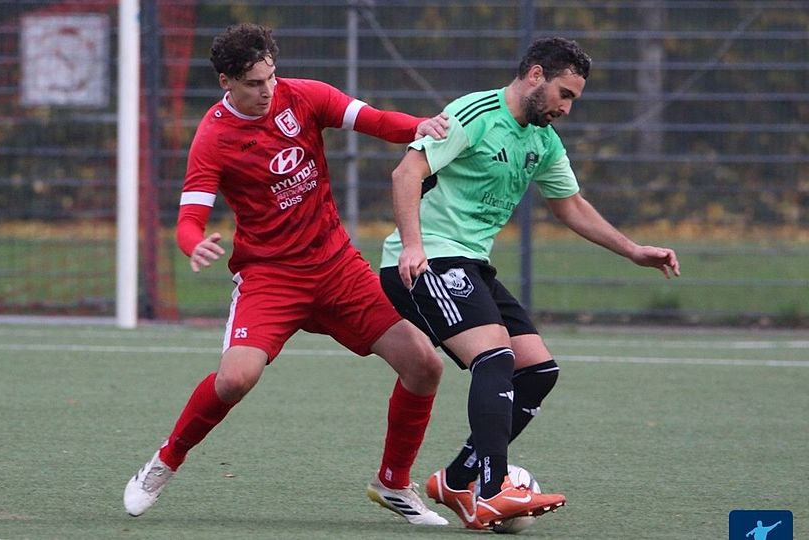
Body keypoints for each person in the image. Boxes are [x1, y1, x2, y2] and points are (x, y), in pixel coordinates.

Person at [123, 23, 452, 526]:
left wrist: (417, 126)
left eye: (270, 77)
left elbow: (373, 120)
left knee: (425, 365)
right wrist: (195, 243)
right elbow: (189, 217)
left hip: (337, 266)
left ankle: (394, 484)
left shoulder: (303, 97)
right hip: (271, 277)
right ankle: (166, 460)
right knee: (235, 379)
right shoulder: (213, 136)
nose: (267, 90)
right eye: (254, 83)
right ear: (225, 82)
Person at [378, 37, 681, 530]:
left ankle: (458, 478)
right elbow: (406, 172)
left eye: (573, 100)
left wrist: (633, 250)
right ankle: (492, 491)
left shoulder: (542, 141)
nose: (566, 107)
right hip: (426, 259)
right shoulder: (476, 112)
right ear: (536, 75)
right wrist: (413, 245)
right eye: (565, 94)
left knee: (537, 371)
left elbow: (571, 205)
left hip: (471, 264)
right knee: (495, 358)